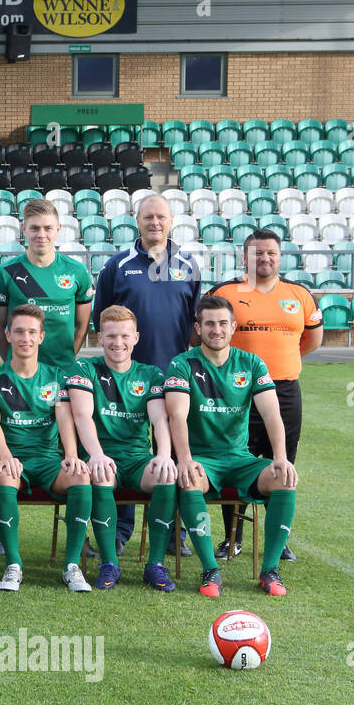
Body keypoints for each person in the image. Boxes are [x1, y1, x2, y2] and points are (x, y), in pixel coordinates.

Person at [163, 294, 298, 597]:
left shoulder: (251, 363)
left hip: (240, 460)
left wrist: (280, 458)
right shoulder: (182, 364)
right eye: (209, 324)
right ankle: (211, 570)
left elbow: (272, 414)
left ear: (233, 327)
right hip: (202, 459)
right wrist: (184, 459)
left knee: (283, 480)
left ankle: (270, 571)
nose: (216, 330)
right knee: (189, 481)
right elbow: (177, 416)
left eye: (223, 323)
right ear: (197, 327)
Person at [94, 193, 202, 556]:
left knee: (174, 453)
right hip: (126, 379)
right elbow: (103, 319)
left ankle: (173, 533)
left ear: (171, 221)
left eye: (161, 217)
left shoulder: (188, 265)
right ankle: (120, 532)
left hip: (174, 378)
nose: (155, 223)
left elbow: (194, 324)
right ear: (136, 221)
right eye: (148, 217)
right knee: (124, 448)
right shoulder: (117, 265)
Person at [207, 229, 321, 562]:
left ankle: (277, 539)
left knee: (281, 463)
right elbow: (209, 333)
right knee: (234, 459)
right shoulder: (227, 291)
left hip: (284, 390)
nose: (264, 258)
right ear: (245, 257)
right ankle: (233, 538)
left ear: (280, 256)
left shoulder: (298, 294)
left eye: (271, 253)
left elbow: (312, 340)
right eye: (257, 253)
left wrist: (281, 361)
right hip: (236, 390)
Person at [0, 304, 93, 592]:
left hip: (48, 460)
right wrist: (5, 457)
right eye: (18, 331)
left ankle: (72, 566)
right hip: (11, 457)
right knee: (4, 476)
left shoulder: (56, 376)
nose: (25, 338)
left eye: (31, 332)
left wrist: (71, 456)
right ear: (7, 335)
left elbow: (64, 419)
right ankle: (13, 566)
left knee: (81, 476)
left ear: (41, 336)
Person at [65, 305, 179, 592]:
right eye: (111, 336)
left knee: (166, 475)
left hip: (138, 458)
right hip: (102, 454)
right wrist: (96, 453)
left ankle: (155, 565)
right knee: (101, 474)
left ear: (136, 337)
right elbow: (81, 415)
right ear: (99, 337)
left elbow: (158, 417)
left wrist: (163, 453)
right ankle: (109, 563)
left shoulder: (150, 373)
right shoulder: (84, 368)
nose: (118, 343)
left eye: (125, 336)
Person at [0, 198, 94, 370]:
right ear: (24, 230)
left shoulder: (77, 271)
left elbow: (82, 325)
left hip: (63, 370)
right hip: (21, 373)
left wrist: (67, 360)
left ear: (58, 229)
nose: (41, 234)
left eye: (48, 228)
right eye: (34, 228)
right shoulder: (5, 273)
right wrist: (12, 364)